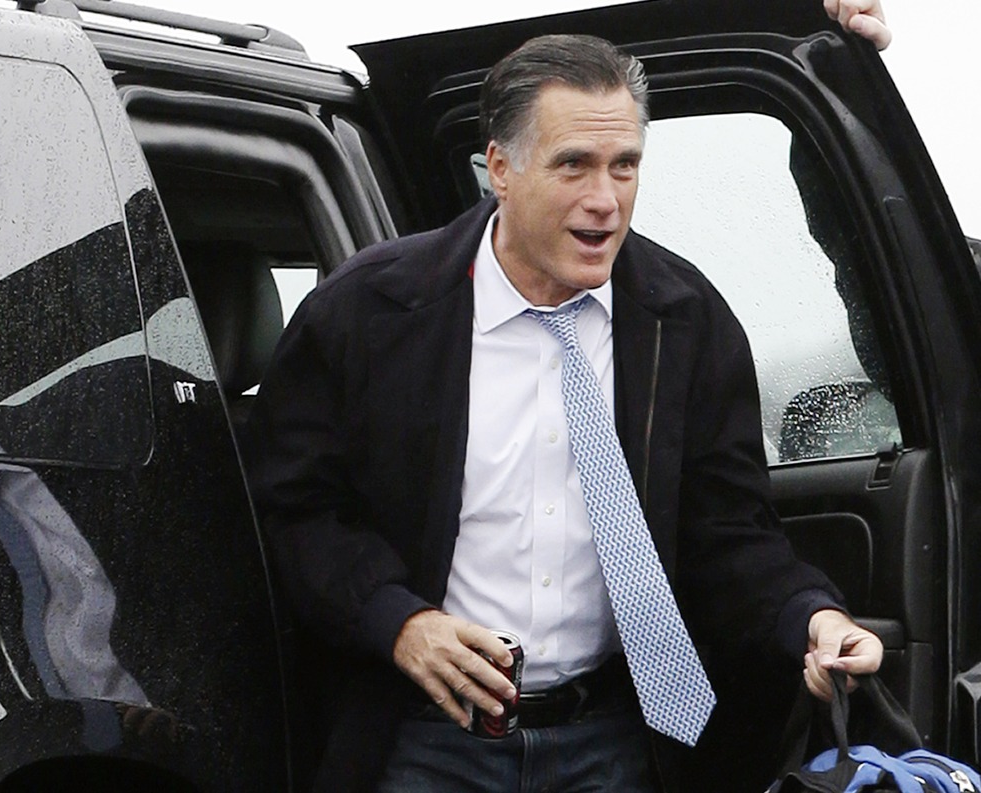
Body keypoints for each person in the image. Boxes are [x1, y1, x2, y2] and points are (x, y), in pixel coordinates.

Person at [246, 3, 891, 791]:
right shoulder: (370, 312)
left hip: (616, 741)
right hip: (423, 737)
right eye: (575, 165)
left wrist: (813, 618)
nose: (606, 198)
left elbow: (727, 533)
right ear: (500, 168)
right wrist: (399, 620)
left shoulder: (683, 319)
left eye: (625, 165)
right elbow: (297, 509)